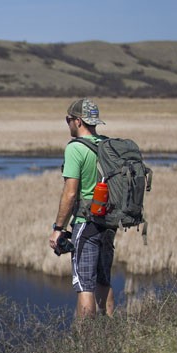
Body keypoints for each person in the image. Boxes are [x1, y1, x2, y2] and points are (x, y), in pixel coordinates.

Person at [49, 98, 116, 320]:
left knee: (84, 284)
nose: (67, 123)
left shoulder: (75, 149)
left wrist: (58, 228)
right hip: (108, 222)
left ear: (78, 121)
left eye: (68, 119)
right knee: (103, 280)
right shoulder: (106, 144)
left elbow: (70, 193)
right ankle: (109, 334)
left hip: (85, 223)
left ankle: (87, 348)